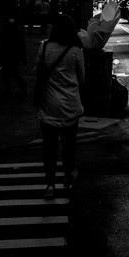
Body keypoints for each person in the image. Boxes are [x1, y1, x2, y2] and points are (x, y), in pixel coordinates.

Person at [33, 14, 85, 198]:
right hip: (70, 104)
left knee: (49, 148)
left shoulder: (44, 47)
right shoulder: (75, 51)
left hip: (48, 104)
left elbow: (38, 72)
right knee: (69, 145)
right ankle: (68, 177)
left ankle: (50, 184)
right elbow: (81, 78)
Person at [0, 10, 27, 99]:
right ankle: (19, 88)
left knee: (8, 72)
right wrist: (23, 56)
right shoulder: (18, 27)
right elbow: (22, 43)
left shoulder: (6, 27)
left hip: (8, 51)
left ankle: (9, 90)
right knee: (11, 72)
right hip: (14, 52)